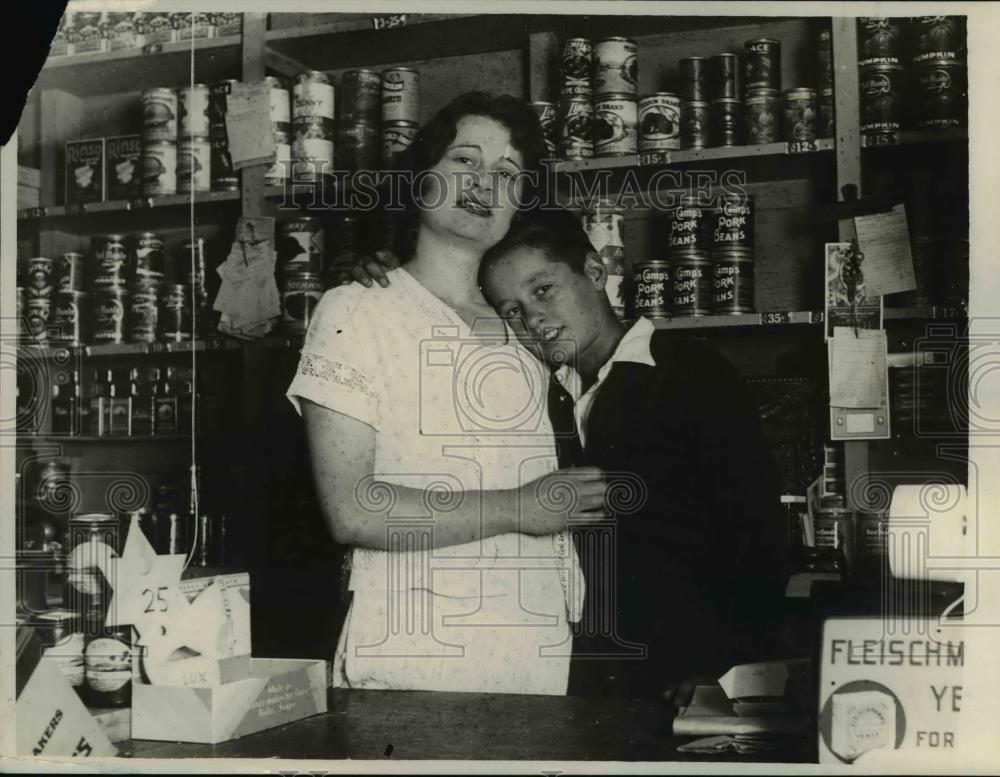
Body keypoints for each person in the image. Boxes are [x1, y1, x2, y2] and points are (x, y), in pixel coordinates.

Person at [286, 92, 609, 695]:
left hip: (537, 650)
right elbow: (350, 508)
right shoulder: (356, 309)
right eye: (466, 160)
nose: (485, 184)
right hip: (413, 652)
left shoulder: (529, 324)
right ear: (421, 177)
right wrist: (519, 507)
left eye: (508, 174)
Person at [477, 205, 790, 700]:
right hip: (588, 674)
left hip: (690, 671)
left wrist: (728, 668)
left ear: (596, 272)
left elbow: (760, 536)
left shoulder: (689, 374)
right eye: (511, 310)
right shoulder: (541, 396)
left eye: (543, 290)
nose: (533, 317)